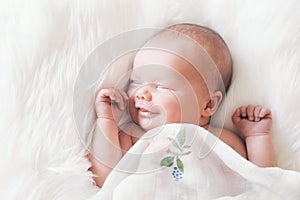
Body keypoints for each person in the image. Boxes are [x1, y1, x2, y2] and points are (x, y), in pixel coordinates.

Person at [88, 23, 277, 187]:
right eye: (135, 82)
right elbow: (104, 177)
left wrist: (257, 137)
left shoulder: (221, 141)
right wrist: (106, 120)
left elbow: (263, 182)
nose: (142, 93)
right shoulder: (134, 137)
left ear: (208, 104)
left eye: (162, 86)